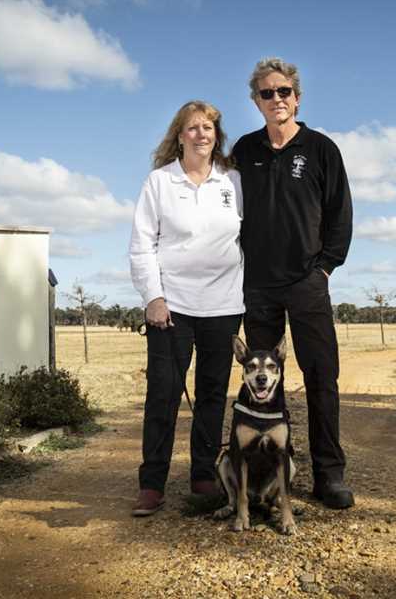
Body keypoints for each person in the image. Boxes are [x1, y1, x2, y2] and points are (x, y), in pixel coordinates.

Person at [231, 58, 354, 509]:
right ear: (256, 102)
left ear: (296, 97)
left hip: (307, 281)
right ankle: (265, 472)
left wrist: (324, 268)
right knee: (262, 384)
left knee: (322, 377)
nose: (276, 99)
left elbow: (340, 213)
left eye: (283, 92)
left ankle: (329, 473)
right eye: (267, 93)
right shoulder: (244, 152)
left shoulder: (322, 149)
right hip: (258, 286)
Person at [128, 101, 244, 516]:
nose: (201, 134)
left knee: (212, 395)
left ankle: (202, 475)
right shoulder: (159, 182)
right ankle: (152, 483)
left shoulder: (232, 181)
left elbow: (246, 238)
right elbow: (142, 244)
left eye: (208, 127)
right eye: (192, 128)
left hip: (224, 305)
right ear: (178, 136)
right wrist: (153, 299)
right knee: (163, 394)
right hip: (172, 308)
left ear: (217, 135)